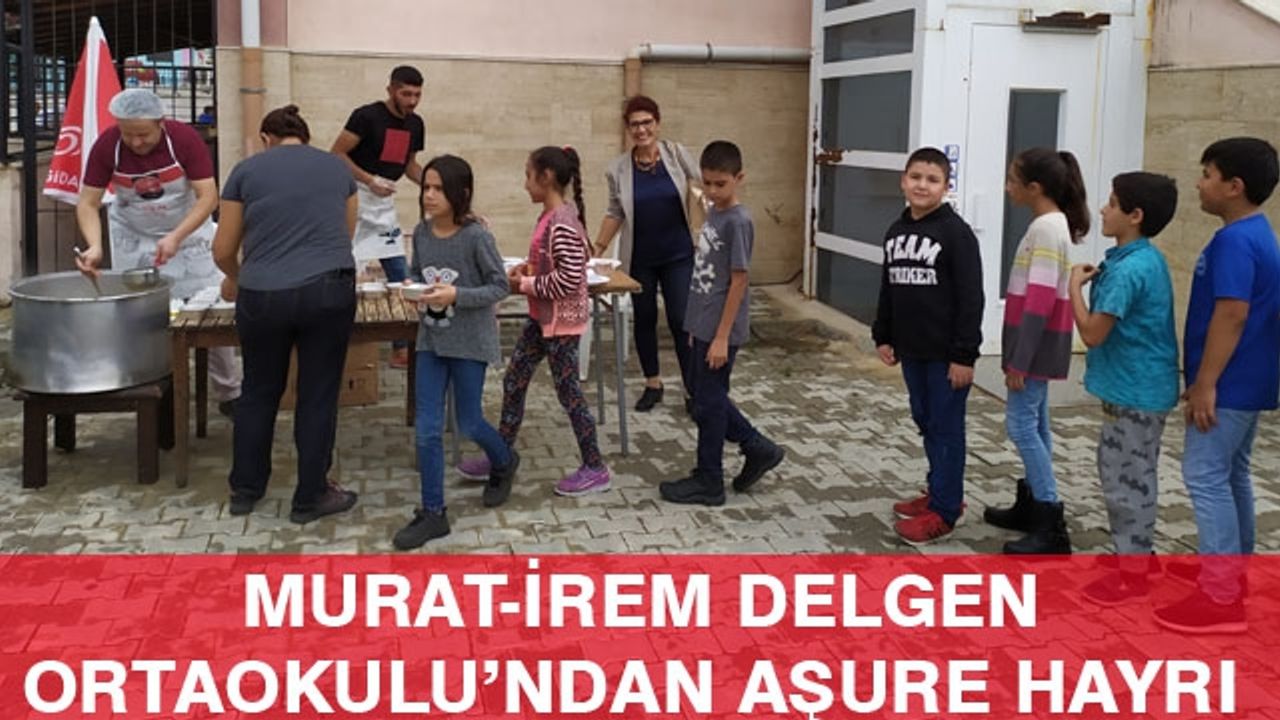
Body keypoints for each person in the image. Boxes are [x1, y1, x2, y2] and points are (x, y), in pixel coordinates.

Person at [211, 104, 359, 525]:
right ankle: (310, 496)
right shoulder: (337, 169)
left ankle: (245, 490)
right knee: (317, 393)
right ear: (305, 137)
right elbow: (345, 234)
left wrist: (238, 277)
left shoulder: (245, 171)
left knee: (258, 391)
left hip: (262, 295)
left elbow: (222, 249)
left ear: (266, 138)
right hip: (327, 291)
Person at [1155, 137, 1280, 634]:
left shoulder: (1235, 242)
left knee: (1205, 475)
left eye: (1207, 174)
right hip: (1247, 380)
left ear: (1234, 186)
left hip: (1228, 384)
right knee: (1232, 474)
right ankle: (1231, 569)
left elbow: (1232, 314)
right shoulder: (1255, 233)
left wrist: (1205, 383)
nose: (1199, 184)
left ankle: (1221, 597)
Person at [74, 88, 241, 416]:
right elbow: (88, 203)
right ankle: (154, 388)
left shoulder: (183, 140)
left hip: (188, 231)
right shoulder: (108, 145)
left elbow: (208, 196)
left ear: (160, 123)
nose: (136, 142)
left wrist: (177, 236)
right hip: (134, 236)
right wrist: (94, 246)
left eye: (143, 134)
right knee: (143, 315)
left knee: (213, 311)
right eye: (128, 134)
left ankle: (230, 392)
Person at [459, 146, 610, 499]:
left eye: (528, 175)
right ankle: (501, 456)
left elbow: (569, 280)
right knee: (514, 381)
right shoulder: (549, 217)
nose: (525, 184)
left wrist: (523, 284)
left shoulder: (562, 223)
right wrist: (525, 269)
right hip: (542, 319)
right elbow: (548, 264)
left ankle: (595, 468)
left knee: (569, 394)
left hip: (560, 326)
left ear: (546, 177)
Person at [393, 155, 518, 550]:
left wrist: (456, 295)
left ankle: (504, 461)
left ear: (460, 194)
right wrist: (413, 288)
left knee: (470, 423)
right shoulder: (421, 232)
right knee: (427, 429)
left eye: (437, 189)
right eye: (425, 188)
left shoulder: (476, 237)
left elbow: (500, 287)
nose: (428, 195)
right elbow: (419, 272)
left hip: (469, 344)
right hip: (431, 341)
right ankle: (434, 512)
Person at [1067, 172, 1180, 604]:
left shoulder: (1129, 270)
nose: (1102, 209)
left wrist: (1074, 289)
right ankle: (1137, 555)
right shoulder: (1141, 258)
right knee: (1130, 472)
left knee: (1126, 481)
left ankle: (1133, 575)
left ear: (1135, 215)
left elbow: (1093, 333)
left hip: (1136, 393)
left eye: (1112, 203)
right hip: (1139, 389)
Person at [658, 141, 784, 506]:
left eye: (720, 184)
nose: (712, 191)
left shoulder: (739, 222)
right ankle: (757, 447)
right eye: (707, 183)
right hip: (702, 324)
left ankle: (710, 479)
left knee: (709, 404)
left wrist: (720, 337)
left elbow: (739, 281)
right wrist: (694, 327)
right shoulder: (714, 212)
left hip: (720, 330)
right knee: (704, 398)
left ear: (739, 178)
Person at [874, 147, 984, 545]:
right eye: (916, 177)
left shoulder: (957, 234)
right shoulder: (895, 231)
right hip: (912, 350)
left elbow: (972, 298)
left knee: (946, 427)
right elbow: (889, 287)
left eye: (933, 179)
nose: (923, 185)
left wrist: (964, 355)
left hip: (946, 356)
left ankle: (946, 511)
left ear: (946, 187)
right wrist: (883, 334)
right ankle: (939, 490)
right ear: (903, 181)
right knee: (925, 420)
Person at [984, 147, 1089, 555]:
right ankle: (1032, 503)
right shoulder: (1050, 224)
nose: (1006, 187)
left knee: (1021, 426)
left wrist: (1019, 361)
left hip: (1034, 350)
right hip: (1039, 348)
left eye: (1013, 180)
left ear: (1035, 187)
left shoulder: (1046, 229)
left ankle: (1049, 517)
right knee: (1037, 423)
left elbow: (1039, 302)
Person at [593, 95, 703, 414]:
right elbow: (615, 212)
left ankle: (693, 389)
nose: (641, 130)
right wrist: (597, 249)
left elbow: (702, 189)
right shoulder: (618, 169)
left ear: (657, 123)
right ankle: (653, 383)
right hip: (641, 256)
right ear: (628, 129)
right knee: (644, 318)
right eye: (634, 124)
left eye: (647, 122)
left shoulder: (677, 154)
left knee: (681, 319)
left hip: (679, 254)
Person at [330, 65, 426, 369]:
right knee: (344, 270)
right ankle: (337, 341)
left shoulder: (416, 124)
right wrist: (369, 180)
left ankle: (402, 347)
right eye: (406, 94)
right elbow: (337, 154)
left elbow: (410, 165)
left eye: (417, 95)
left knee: (400, 273)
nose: (412, 101)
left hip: (384, 207)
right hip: (354, 199)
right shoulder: (366, 116)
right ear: (391, 90)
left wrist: (434, 183)